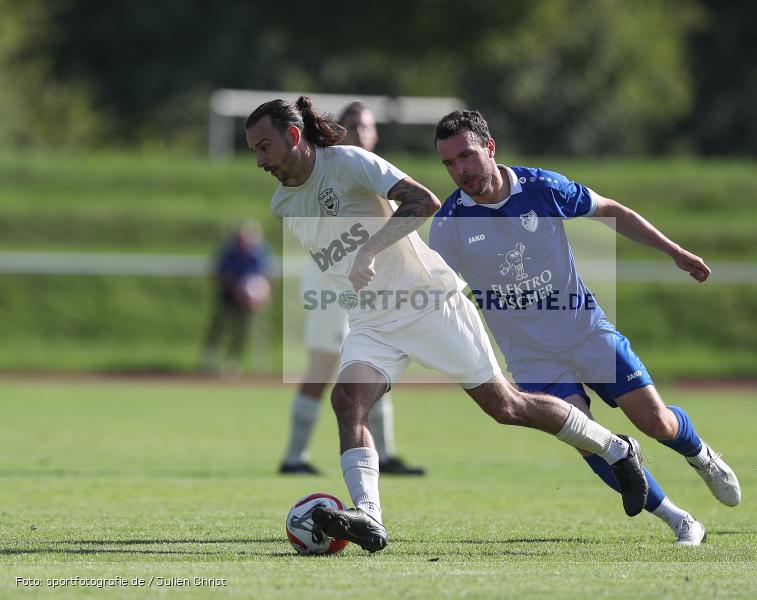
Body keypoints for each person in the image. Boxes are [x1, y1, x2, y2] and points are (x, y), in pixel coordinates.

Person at [245, 96, 649, 553]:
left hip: (429, 302)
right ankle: (370, 516)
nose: (259, 160)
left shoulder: (351, 162)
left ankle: (616, 448)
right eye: (253, 151)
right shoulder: (282, 204)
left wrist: (370, 250)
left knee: (506, 406)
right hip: (373, 321)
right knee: (347, 400)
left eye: (264, 147)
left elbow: (424, 200)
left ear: (293, 137)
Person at [428, 110, 742, 544]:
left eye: (466, 155)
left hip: (586, 332)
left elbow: (612, 210)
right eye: (449, 163)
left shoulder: (541, 188)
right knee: (589, 438)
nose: (459, 170)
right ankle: (679, 520)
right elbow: (439, 294)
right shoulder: (449, 225)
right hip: (532, 357)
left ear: (490, 148)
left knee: (657, 423)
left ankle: (701, 455)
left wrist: (674, 252)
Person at [280, 101, 426, 476]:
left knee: (375, 360)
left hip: (374, 284)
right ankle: (294, 457)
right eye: (350, 126)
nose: (359, 132)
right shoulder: (333, 172)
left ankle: (387, 454)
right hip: (333, 282)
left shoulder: (378, 175)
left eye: (365, 126)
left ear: (375, 133)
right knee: (322, 365)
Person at [200, 221, 270, 374]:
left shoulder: (258, 253)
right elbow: (218, 274)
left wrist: (260, 296)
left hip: (248, 301)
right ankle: (209, 358)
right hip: (228, 294)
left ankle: (233, 361)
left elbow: (265, 276)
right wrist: (235, 288)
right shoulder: (228, 252)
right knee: (219, 324)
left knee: (241, 330)